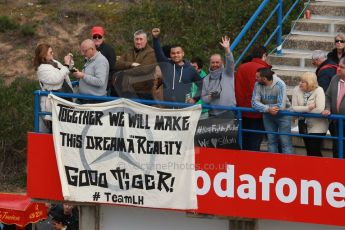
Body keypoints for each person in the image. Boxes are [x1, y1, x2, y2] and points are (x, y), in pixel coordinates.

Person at [151, 27, 202, 103]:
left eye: (178, 53)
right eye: (173, 53)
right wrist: (155, 38)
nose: (176, 55)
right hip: (167, 107)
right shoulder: (166, 65)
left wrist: (195, 99)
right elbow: (158, 53)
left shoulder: (190, 69)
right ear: (170, 55)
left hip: (184, 108)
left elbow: (203, 85)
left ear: (183, 53)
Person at [235, 46, 270, 151]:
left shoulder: (242, 67)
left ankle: (245, 165)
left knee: (244, 142)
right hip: (258, 112)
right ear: (264, 55)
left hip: (242, 110)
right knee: (255, 143)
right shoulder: (263, 70)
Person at [34, 43, 73, 133]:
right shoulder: (42, 69)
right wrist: (66, 65)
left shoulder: (53, 62)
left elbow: (65, 71)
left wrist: (69, 62)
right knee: (56, 131)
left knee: (65, 130)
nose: (53, 54)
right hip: (54, 105)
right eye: (51, 52)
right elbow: (57, 78)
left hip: (63, 101)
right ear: (43, 55)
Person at [252, 67, 293, 154]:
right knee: (271, 141)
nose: (256, 79)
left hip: (284, 115)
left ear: (264, 78)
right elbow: (254, 103)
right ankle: (273, 163)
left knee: (285, 142)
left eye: (258, 77)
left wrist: (264, 107)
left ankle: (288, 164)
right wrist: (268, 109)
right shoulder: (257, 84)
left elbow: (281, 105)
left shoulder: (280, 84)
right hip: (268, 115)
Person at [292, 72, 328, 157]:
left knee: (314, 150)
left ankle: (320, 169)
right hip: (303, 125)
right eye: (300, 81)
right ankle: (311, 169)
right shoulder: (296, 89)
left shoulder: (319, 90)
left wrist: (301, 109)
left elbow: (319, 109)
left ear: (310, 83)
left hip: (318, 127)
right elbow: (294, 108)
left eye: (303, 82)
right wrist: (308, 108)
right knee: (308, 150)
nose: (300, 83)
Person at [114, 29, 157, 99]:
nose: (138, 42)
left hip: (144, 92)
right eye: (136, 39)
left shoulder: (151, 53)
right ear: (134, 40)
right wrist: (131, 64)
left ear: (146, 40)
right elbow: (116, 64)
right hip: (126, 89)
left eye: (141, 39)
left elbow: (143, 70)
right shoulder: (129, 51)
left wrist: (123, 72)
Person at [201, 36, 236, 117]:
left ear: (222, 62)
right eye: (213, 62)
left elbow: (230, 62)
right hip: (212, 113)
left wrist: (227, 49)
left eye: (217, 62)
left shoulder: (228, 73)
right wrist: (210, 97)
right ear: (210, 63)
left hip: (228, 112)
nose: (215, 64)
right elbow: (203, 98)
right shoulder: (206, 79)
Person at [322, 57, 345, 158]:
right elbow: (328, 96)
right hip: (335, 122)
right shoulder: (335, 78)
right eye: (339, 66)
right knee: (336, 148)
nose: (338, 69)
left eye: (342, 67)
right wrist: (327, 108)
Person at [73, 39, 109, 104]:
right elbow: (89, 76)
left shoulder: (101, 61)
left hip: (95, 101)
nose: (82, 54)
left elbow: (100, 82)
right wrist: (79, 75)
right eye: (82, 51)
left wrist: (83, 76)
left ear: (92, 49)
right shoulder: (90, 59)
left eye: (85, 51)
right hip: (87, 100)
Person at [91, 26, 116, 96]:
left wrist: (107, 85)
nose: (97, 38)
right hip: (91, 85)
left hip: (104, 87)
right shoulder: (90, 49)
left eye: (99, 36)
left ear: (103, 37)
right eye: (95, 36)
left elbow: (112, 69)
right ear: (92, 37)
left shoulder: (109, 50)